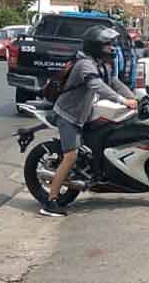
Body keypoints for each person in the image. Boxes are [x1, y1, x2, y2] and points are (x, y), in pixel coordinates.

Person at [42, 26, 139, 217]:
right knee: (71, 156)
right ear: (96, 46)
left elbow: (113, 82)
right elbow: (97, 85)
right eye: (107, 45)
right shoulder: (85, 65)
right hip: (68, 115)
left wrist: (134, 98)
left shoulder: (101, 63)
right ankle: (50, 201)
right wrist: (122, 101)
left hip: (84, 113)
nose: (112, 48)